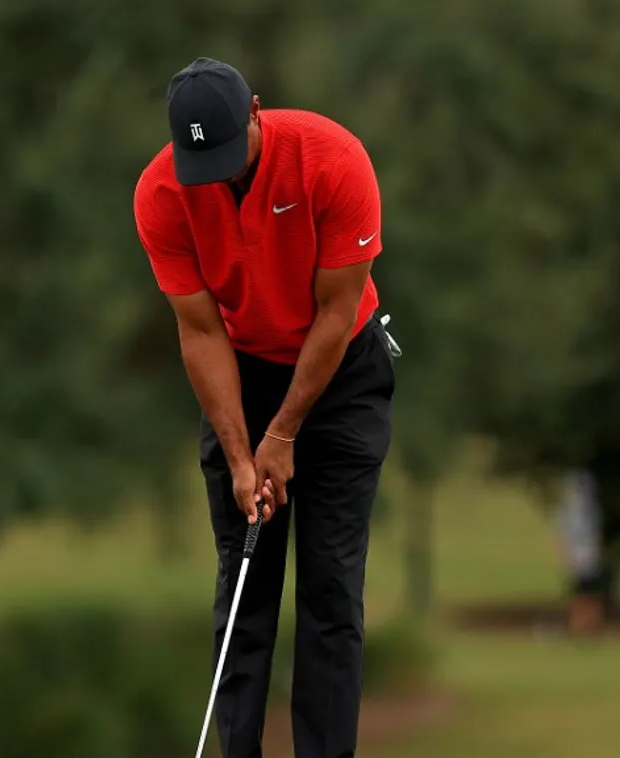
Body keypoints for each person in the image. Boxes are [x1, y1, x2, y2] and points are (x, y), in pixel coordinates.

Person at [133, 57, 396, 758]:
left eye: (225, 154)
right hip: (240, 373)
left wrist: (283, 432)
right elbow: (198, 329)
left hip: (338, 374)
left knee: (330, 592)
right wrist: (242, 451)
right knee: (245, 580)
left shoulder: (332, 159)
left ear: (254, 110)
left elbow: (336, 317)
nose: (215, 177)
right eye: (199, 162)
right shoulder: (160, 193)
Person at [554, 468, 605, 635]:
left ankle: (590, 626)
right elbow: (562, 536)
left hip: (588, 557)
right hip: (577, 558)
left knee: (589, 593)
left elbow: (595, 536)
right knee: (577, 594)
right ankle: (577, 626)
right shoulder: (567, 511)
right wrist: (564, 556)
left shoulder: (591, 510)